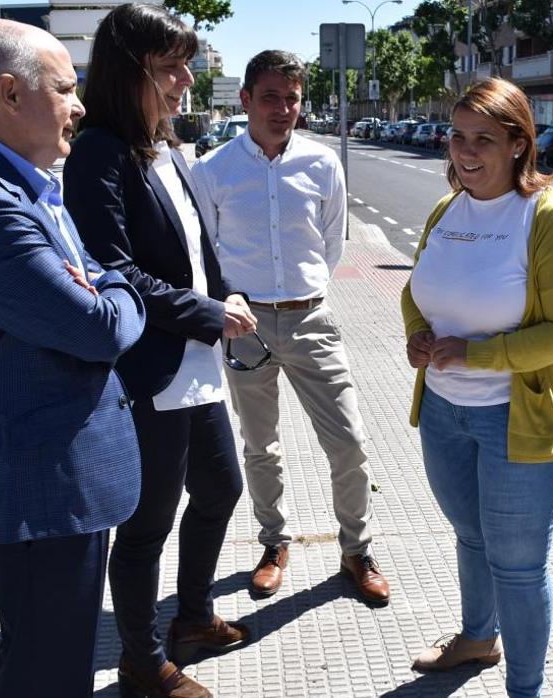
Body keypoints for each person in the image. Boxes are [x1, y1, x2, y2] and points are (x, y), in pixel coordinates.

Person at [0, 19, 146, 696]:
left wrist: (103, 283)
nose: (79, 105)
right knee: (49, 671)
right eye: (66, 88)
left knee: (50, 658)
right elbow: (101, 325)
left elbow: (95, 280)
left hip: (50, 480)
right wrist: (116, 286)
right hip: (36, 485)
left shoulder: (26, 184)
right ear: (10, 93)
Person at [65, 5, 253, 697]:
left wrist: (225, 295)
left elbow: (198, 252)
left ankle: (194, 617)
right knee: (147, 527)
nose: (183, 80)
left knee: (221, 489)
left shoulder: (165, 147)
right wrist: (207, 312)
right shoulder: (98, 152)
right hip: (151, 367)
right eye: (169, 67)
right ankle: (142, 663)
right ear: (129, 68)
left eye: (186, 65)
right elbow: (111, 271)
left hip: (194, 362)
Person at [400, 77, 553, 698]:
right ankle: (477, 639)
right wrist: (418, 335)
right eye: (457, 135)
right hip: (443, 411)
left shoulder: (548, 216)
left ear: (519, 144)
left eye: (484, 138)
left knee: (516, 566)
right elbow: (417, 291)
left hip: (520, 419)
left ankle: (526, 688)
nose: (465, 150)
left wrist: (481, 354)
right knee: (470, 535)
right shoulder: (446, 208)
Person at [190, 50, 390, 605]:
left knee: (348, 442)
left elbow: (331, 243)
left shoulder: (323, 164)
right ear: (247, 99)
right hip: (244, 324)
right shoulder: (213, 170)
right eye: (271, 97)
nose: (283, 109)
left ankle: (357, 550)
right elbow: (207, 251)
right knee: (261, 447)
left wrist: (301, 294)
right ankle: (274, 544)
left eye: (293, 99)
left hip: (310, 320)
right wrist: (232, 301)